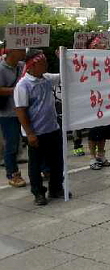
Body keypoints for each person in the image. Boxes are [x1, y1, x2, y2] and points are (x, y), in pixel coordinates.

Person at [14, 49, 67, 205]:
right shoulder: (23, 85)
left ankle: (56, 188)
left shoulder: (47, 78)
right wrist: (30, 133)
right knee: (36, 165)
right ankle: (38, 193)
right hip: (36, 132)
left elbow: (64, 75)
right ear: (32, 65)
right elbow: (20, 111)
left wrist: (63, 59)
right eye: (43, 63)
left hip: (52, 129)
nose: (46, 65)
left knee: (57, 162)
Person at [85, 37, 110, 170]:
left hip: (107, 98)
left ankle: (101, 155)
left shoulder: (108, 59)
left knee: (105, 129)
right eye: (97, 44)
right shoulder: (86, 61)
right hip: (93, 100)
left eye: (102, 44)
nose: (101, 46)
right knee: (94, 130)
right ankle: (92, 157)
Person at [0, 48, 26, 188]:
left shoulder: (22, 66)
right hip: (8, 113)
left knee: (35, 139)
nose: (23, 52)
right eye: (20, 49)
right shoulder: (1, 68)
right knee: (12, 144)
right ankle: (13, 174)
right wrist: (17, 89)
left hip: (25, 110)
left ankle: (44, 168)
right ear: (11, 52)